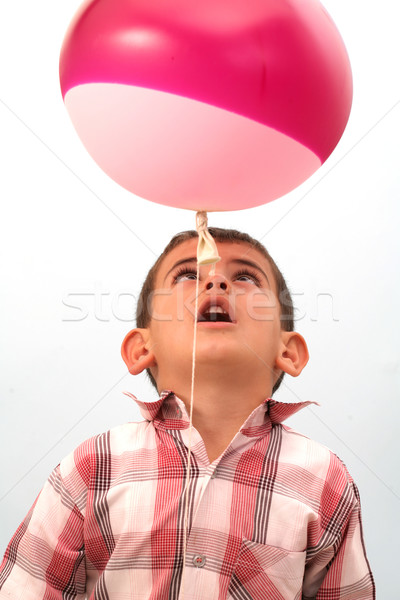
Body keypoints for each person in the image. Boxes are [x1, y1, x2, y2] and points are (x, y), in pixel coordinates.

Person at [0, 228, 375, 599]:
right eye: (188, 275)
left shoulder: (325, 481)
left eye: (245, 277)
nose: (215, 283)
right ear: (140, 349)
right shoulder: (91, 467)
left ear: (289, 352)